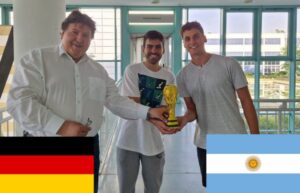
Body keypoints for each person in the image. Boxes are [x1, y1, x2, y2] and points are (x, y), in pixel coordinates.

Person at [7, 10, 172, 193]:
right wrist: (61, 126)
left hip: (87, 146)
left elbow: (115, 100)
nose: (80, 38)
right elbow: (19, 102)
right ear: (62, 33)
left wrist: (148, 112)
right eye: (74, 32)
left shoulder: (97, 70)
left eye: (86, 35)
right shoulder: (37, 59)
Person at [176, 21, 260, 187]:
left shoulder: (228, 64)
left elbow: (246, 101)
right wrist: (184, 119)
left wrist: (256, 138)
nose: (192, 42)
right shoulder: (182, 76)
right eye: (187, 39)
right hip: (204, 143)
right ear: (184, 43)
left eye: (196, 37)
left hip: (234, 138)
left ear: (204, 38)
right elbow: (192, 111)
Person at [116, 30, 177, 193]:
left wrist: (149, 111)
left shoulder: (169, 76)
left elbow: (166, 109)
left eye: (158, 47)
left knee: (153, 189)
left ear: (163, 50)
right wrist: (154, 112)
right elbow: (132, 104)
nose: (154, 51)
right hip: (128, 140)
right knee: (125, 189)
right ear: (143, 48)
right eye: (150, 46)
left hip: (154, 142)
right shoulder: (132, 70)